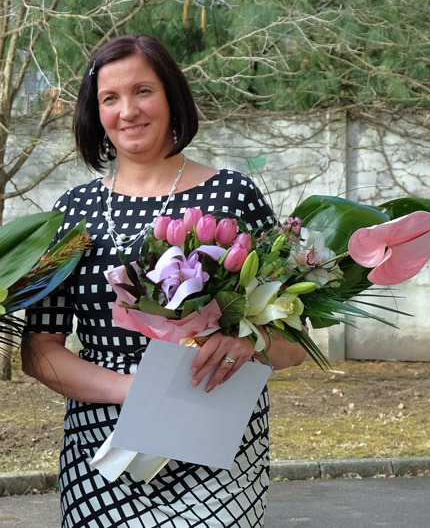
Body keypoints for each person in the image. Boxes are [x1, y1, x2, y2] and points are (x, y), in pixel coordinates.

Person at [21, 34, 308, 527]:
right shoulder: (72, 211)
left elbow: (296, 342)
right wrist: (132, 390)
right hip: (103, 445)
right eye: (110, 98)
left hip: (215, 434)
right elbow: (38, 350)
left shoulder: (233, 196)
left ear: (172, 96)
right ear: (96, 113)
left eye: (143, 91)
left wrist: (252, 342)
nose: (128, 110)